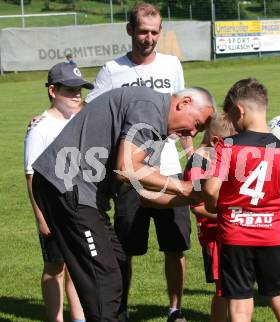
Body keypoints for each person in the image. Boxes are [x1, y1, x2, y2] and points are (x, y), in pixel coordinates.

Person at [31, 86, 215, 322]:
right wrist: (185, 187)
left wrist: (192, 198)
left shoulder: (157, 130)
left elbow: (144, 194)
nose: (192, 132)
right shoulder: (148, 106)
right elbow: (127, 168)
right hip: (65, 186)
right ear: (184, 102)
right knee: (103, 274)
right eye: (197, 124)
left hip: (77, 193)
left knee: (116, 262)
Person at [86, 4, 192, 321]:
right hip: (130, 172)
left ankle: (175, 309)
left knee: (175, 246)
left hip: (169, 167)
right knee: (125, 247)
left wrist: (190, 155)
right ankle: (122, 309)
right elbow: (91, 113)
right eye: (143, 31)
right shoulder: (112, 70)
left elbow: (182, 113)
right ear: (130, 30)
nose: (149, 38)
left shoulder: (172, 65)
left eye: (155, 32)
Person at [203, 78, 280, 322]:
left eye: (232, 117)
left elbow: (210, 189)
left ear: (240, 110)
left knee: (240, 308)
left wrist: (217, 207)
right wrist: (263, 211)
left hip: (234, 235)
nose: (234, 124)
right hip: (272, 235)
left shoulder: (227, 146)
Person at [24, 61, 91, 322]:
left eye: (80, 90)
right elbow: (31, 176)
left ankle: (79, 318)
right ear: (53, 91)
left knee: (77, 267)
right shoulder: (40, 129)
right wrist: (41, 217)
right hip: (53, 208)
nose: (76, 94)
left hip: (80, 205)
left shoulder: (80, 119)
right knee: (55, 267)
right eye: (70, 89)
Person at [184, 114, 235, 322]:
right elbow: (197, 207)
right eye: (229, 144)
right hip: (214, 234)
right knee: (223, 289)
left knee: (233, 286)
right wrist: (226, 216)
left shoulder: (216, 157)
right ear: (215, 141)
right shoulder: (198, 163)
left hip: (229, 231)